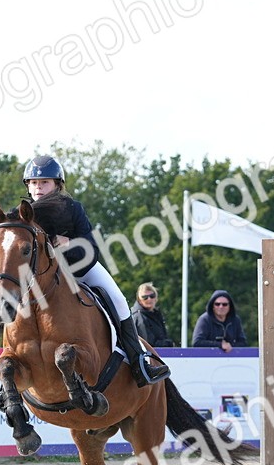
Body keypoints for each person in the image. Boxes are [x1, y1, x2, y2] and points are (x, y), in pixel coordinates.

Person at [19, 155, 167, 386]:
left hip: (78, 269)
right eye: (34, 183)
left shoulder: (72, 208)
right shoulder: (21, 214)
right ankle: (7, 378)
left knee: (118, 299)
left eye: (45, 182)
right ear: (28, 185)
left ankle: (140, 362)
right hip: (39, 279)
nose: (38, 187)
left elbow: (91, 248)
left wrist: (67, 243)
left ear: (58, 184)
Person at [131, 283, 174, 347]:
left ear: (156, 297)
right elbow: (149, 345)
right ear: (139, 300)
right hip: (149, 355)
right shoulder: (139, 317)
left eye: (152, 296)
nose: (149, 299)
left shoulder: (156, 314)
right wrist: (169, 344)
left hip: (160, 354)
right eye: (145, 297)